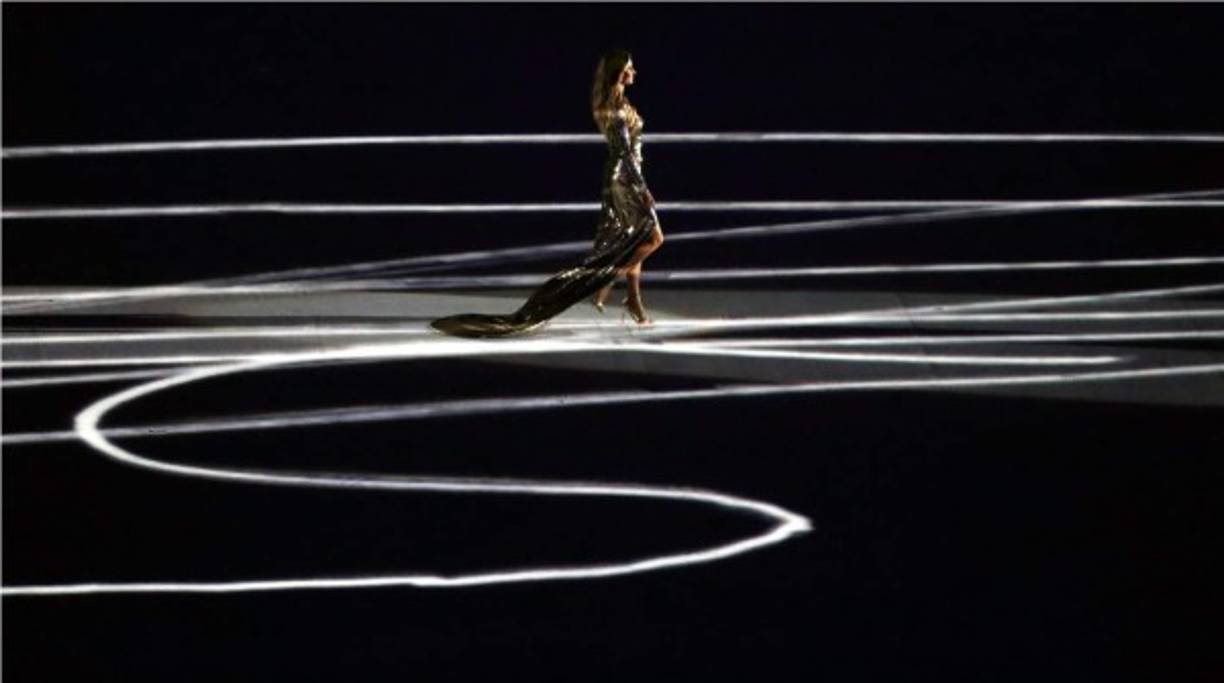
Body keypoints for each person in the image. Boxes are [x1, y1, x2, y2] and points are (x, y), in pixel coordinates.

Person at [431, 49, 664, 338]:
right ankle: (607, 282)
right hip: (626, 178)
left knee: (635, 239)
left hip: (624, 175)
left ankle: (633, 301)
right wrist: (642, 188)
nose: (634, 72)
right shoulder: (614, 109)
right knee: (653, 237)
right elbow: (625, 153)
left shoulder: (618, 102)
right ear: (619, 73)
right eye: (629, 67)